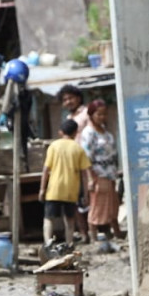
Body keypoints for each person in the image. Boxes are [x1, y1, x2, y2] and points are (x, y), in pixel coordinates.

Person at [39, 119, 92, 247]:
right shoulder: (78, 149)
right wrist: (85, 194)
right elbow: (84, 174)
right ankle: (69, 243)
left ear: (61, 132)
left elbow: (46, 170)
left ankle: (47, 243)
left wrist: (42, 189)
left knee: (49, 218)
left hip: (54, 189)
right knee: (69, 218)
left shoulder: (54, 146)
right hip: (71, 190)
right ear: (75, 132)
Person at [79, 99, 122, 240]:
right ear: (91, 115)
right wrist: (91, 178)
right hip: (98, 173)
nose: (102, 117)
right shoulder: (88, 133)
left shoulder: (105, 131)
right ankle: (93, 237)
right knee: (98, 205)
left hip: (110, 173)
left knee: (113, 204)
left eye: (104, 114)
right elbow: (86, 158)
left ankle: (116, 232)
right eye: (99, 114)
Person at [59, 84, 91, 242]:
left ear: (78, 98)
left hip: (87, 161)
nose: (68, 102)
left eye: (70, 98)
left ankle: (93, 232)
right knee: (75, 198)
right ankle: (83, 232)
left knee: (89, 197)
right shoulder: (68, 119)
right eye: (65, 99)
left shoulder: (86, 113)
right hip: (73, 163)